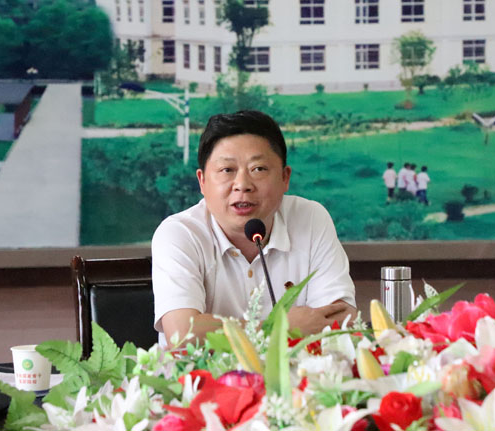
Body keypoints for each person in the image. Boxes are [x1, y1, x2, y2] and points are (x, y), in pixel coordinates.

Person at [151, 110, 357, 346]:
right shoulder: (179, 234)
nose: (242, 185)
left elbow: (342, 318)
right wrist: (280, 328)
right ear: (202, 181)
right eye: (227, 170)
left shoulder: (310, 218)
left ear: (285, 178)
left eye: (258, 169)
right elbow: (182, 334)